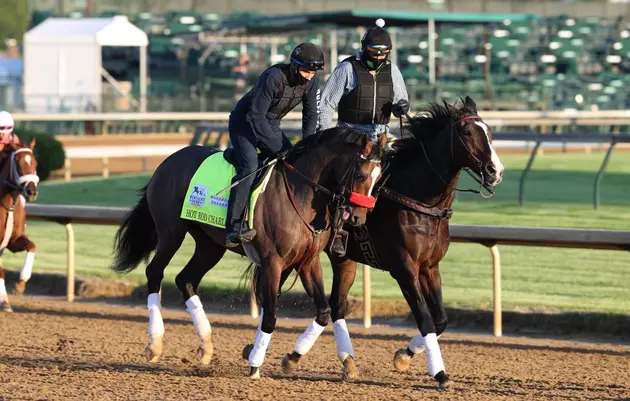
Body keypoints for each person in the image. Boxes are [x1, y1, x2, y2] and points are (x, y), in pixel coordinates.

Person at [225, 42, 324, 248]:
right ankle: (233, 226)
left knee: (295, 162)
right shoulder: (272, 77)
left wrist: (308, 144)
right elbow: (255, 116)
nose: (309, 76)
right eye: (306, 71)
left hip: (270, 123)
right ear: (295, 66)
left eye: (313, 72)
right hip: (244, 122)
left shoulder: (313, 81)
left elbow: (311, 114)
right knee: (251, 166)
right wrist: (278, 149)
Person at [319, 19, 410, 142]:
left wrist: (401, 108)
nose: (378, 58)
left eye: (383, 54)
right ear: (364, 49)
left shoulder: (393, 71)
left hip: (382, 135)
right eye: (374, 53)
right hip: (350, 135)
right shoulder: (347, 68)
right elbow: (326, 104)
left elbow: (402, 106)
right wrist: (326, 137)